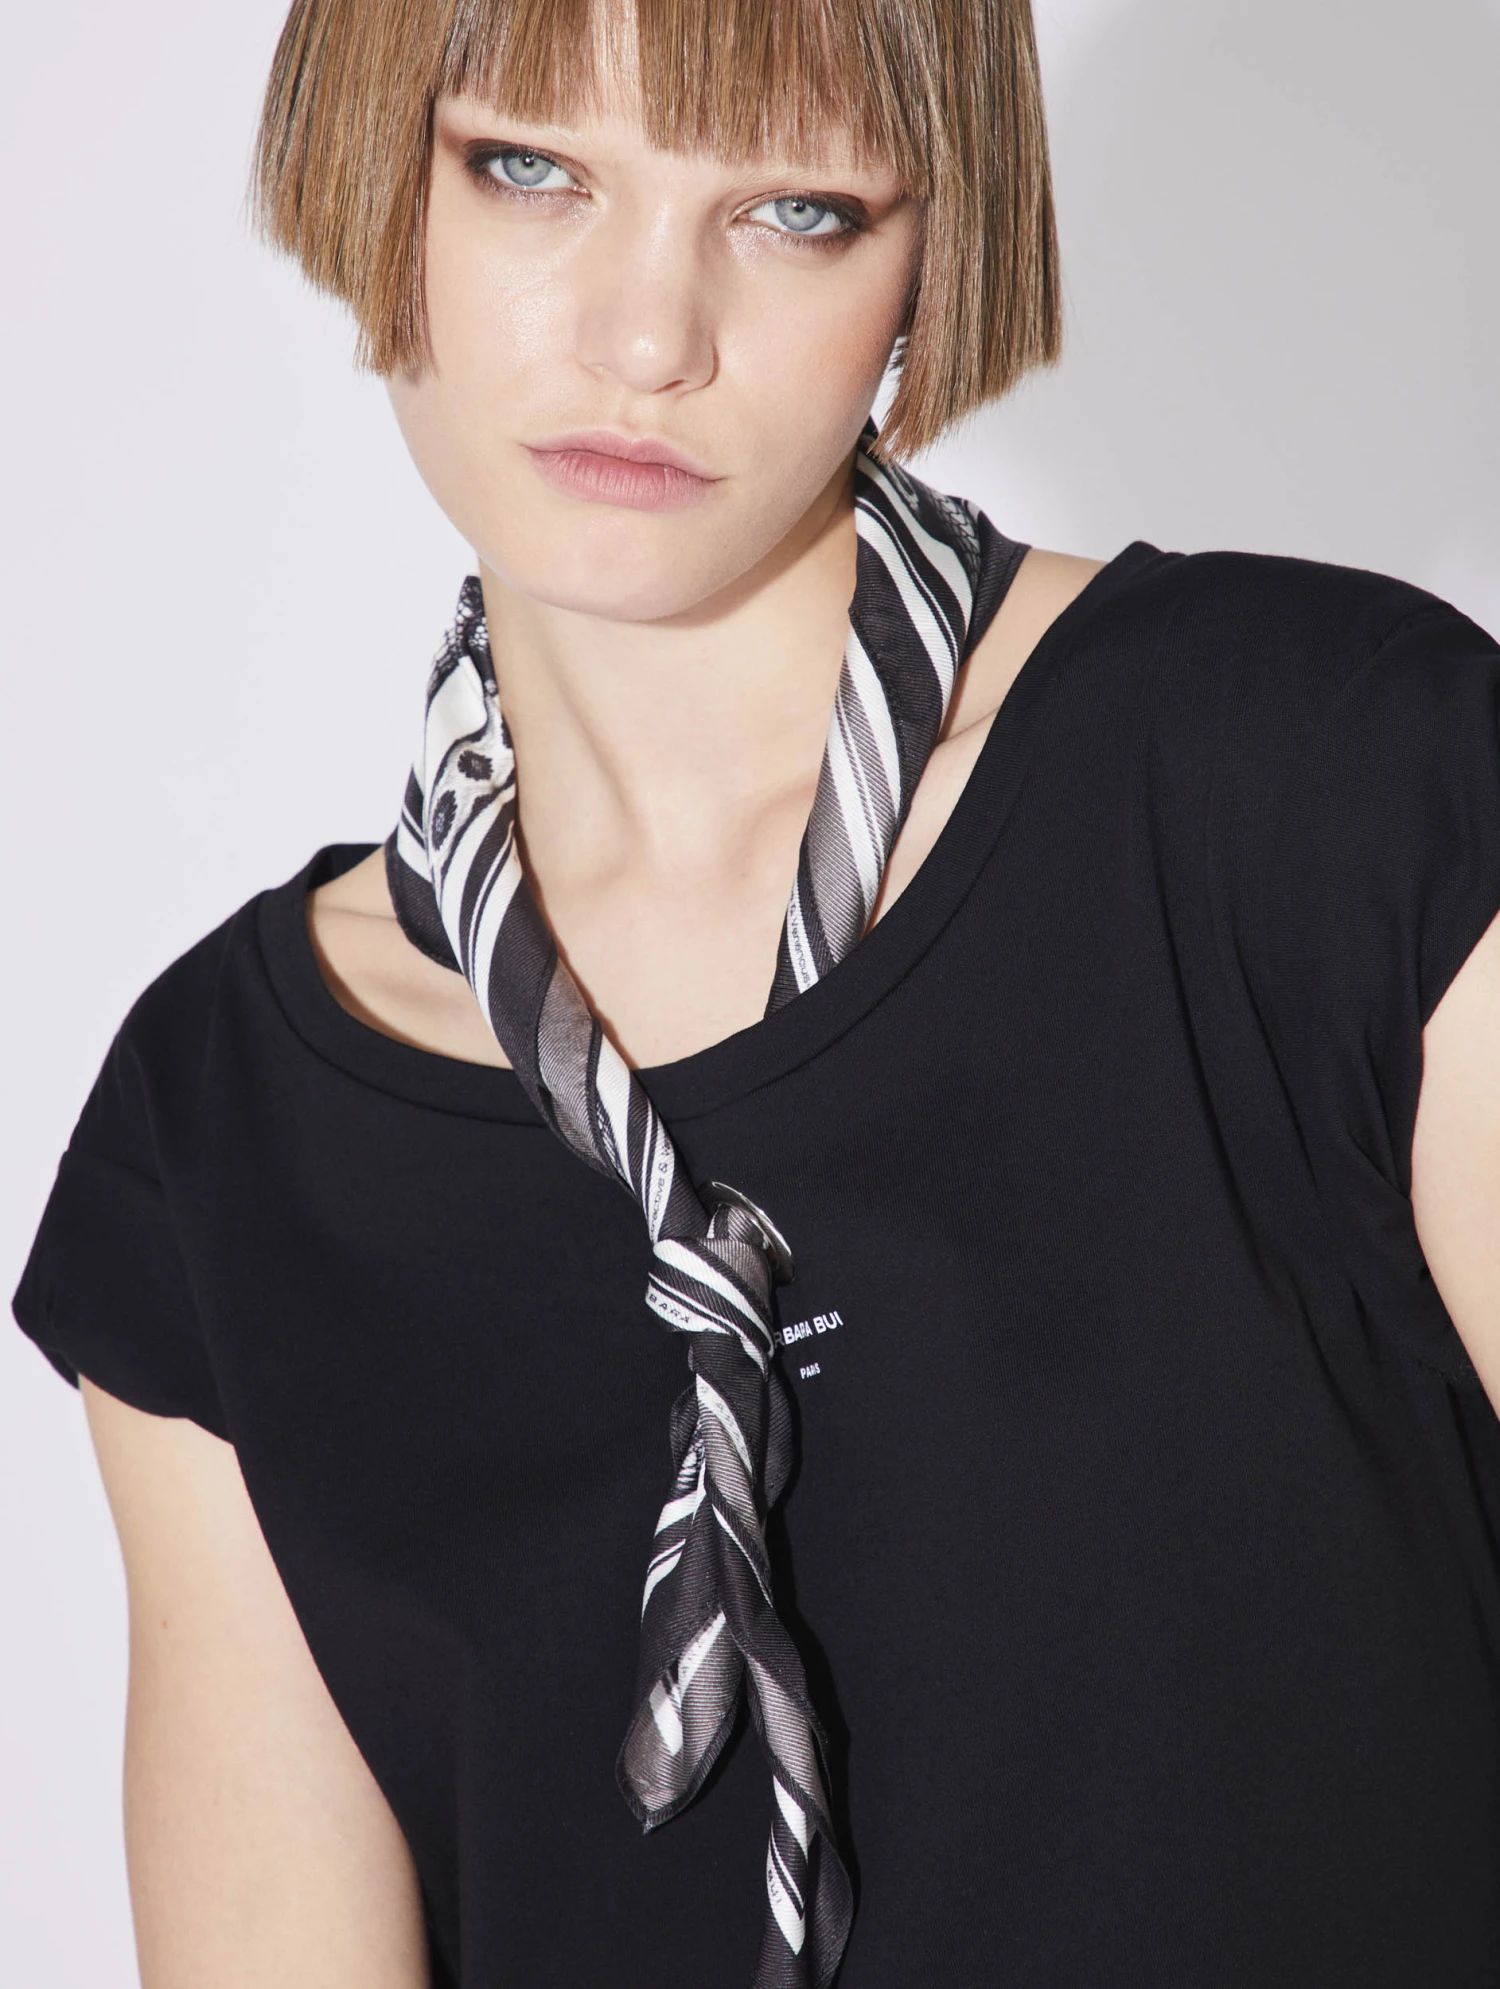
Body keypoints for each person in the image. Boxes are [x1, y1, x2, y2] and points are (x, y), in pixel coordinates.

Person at [11, 0, 1500, 1982]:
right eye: (528, 169)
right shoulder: (222, 1132)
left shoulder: (1326, 790)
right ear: (372, 167)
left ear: (936, 245)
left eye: (796, 211)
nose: (649, 338)